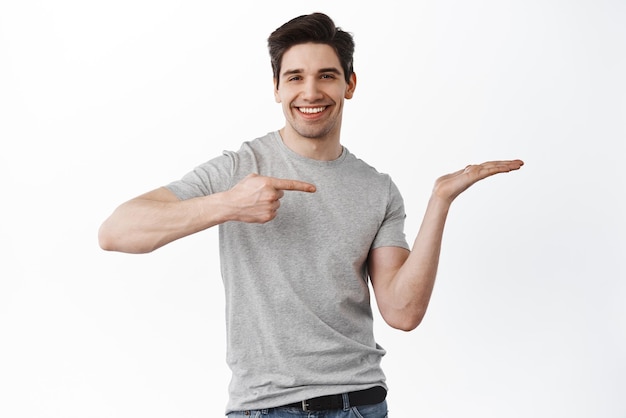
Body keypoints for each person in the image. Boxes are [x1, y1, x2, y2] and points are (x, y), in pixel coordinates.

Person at [98, 12, 523, 417]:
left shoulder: (378, 189)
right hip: (263, 406)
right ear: (277, 88)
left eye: (326, 75)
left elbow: (403, 312)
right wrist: (228, 204)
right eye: (295, 77)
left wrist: (440, 201)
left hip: (360, 402)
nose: (311, 92)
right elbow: (116, 232)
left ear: (350, 84)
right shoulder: (237, 168)